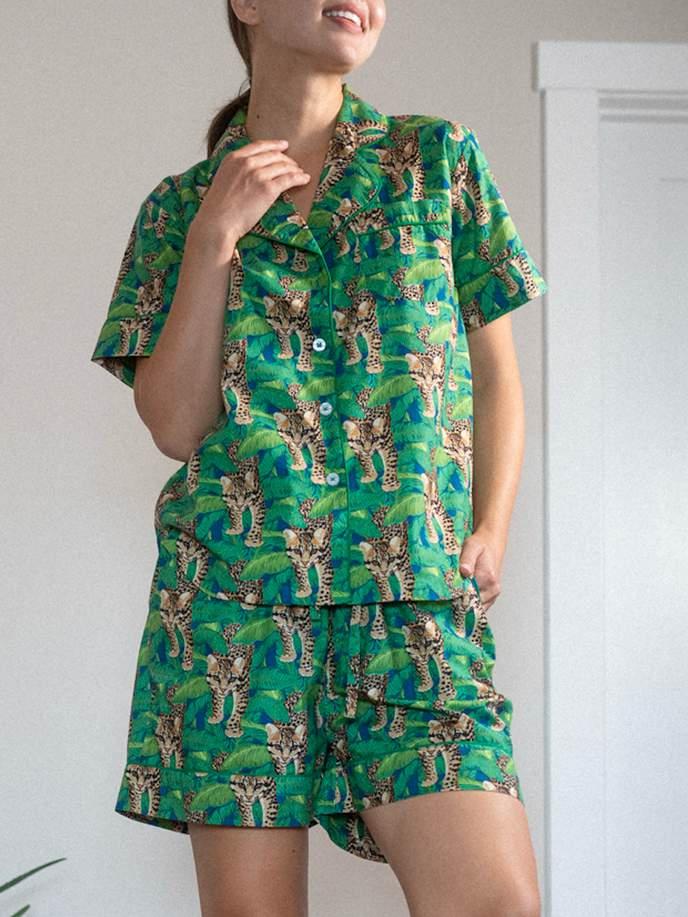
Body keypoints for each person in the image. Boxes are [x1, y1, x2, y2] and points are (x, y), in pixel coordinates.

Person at [90, 1, 548, 914]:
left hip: (410, 602)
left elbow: (497, 376)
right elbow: (175, 424)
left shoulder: (437, 161)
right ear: (248, 3)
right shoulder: (179, 210)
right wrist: (214, 239)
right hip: (234, 612)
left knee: (496, 904)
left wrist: (490, 527)